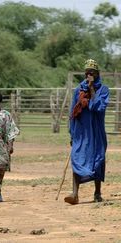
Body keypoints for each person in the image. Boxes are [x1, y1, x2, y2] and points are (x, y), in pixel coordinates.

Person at [64, 59, 109, 205]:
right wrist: (72, 132)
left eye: (92, 73)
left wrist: (91, 90)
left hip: (96, 132)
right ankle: (75, 194)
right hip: (81, 132)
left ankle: (97, 192)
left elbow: (98, 107)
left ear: (97, 74)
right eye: (87, 73)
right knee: (77, 158)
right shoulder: (79, 90)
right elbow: (73, 111)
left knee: (98, 160)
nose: (89, 75)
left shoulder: (103, 90)